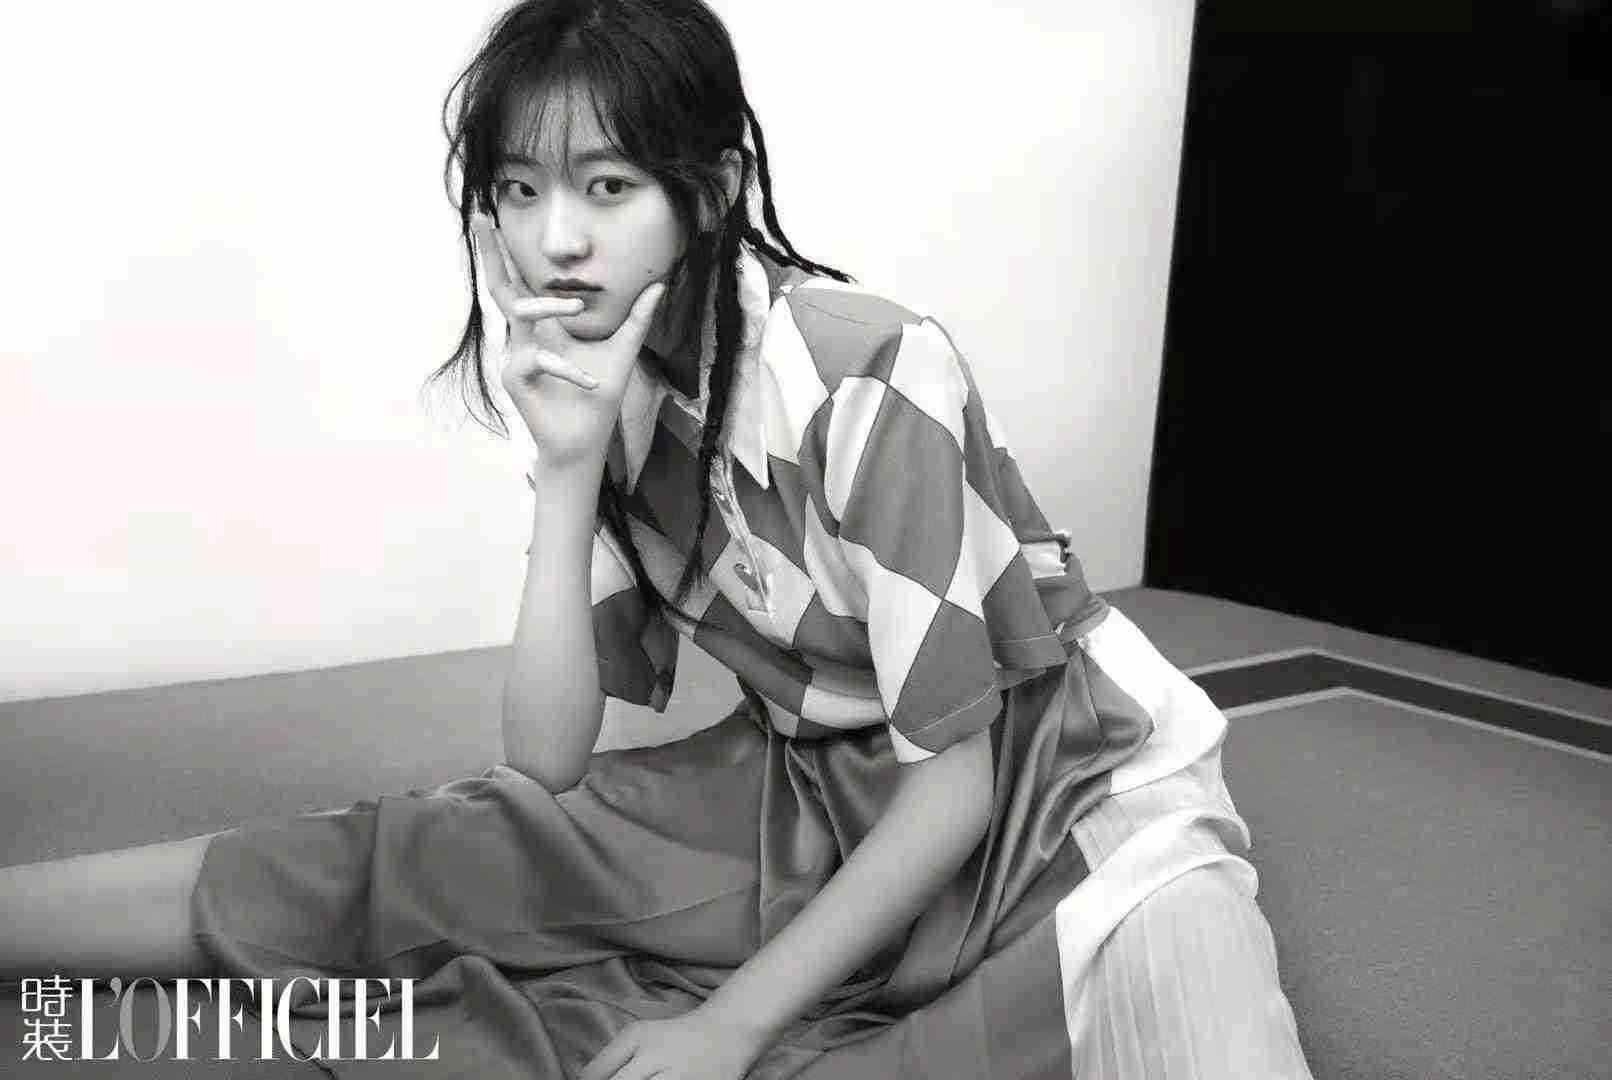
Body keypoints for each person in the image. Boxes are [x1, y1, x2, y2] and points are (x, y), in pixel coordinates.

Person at [0, 1, 1316, 1077]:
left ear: (712, 187)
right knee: (448, 845)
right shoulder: (601, 383)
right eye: (518, 190)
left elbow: (958, 783)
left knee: (1180, 1032)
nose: (555, 240)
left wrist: (730, 1026)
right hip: (809, 788)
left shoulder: (870, 371)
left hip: (1063, 784)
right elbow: (547, 759)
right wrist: (568, 471)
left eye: (608, 185)